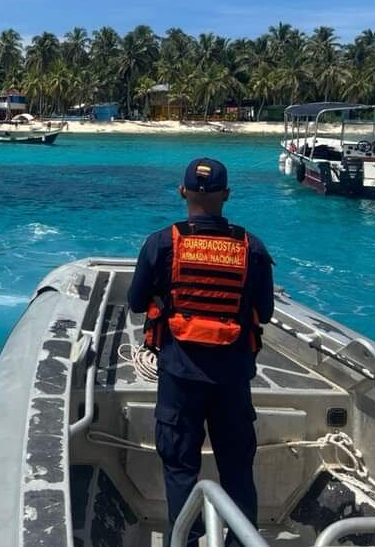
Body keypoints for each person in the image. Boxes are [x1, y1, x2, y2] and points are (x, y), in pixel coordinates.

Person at [128, 157, 274, 547]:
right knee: (238, 470)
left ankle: (187, 541)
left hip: (180, 375)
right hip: (232, 379)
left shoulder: (162, 243)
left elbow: (136, 302)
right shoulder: (251, 248)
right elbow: (267, 312)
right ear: (226, 195)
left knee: (180, 469)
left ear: (182, 192)